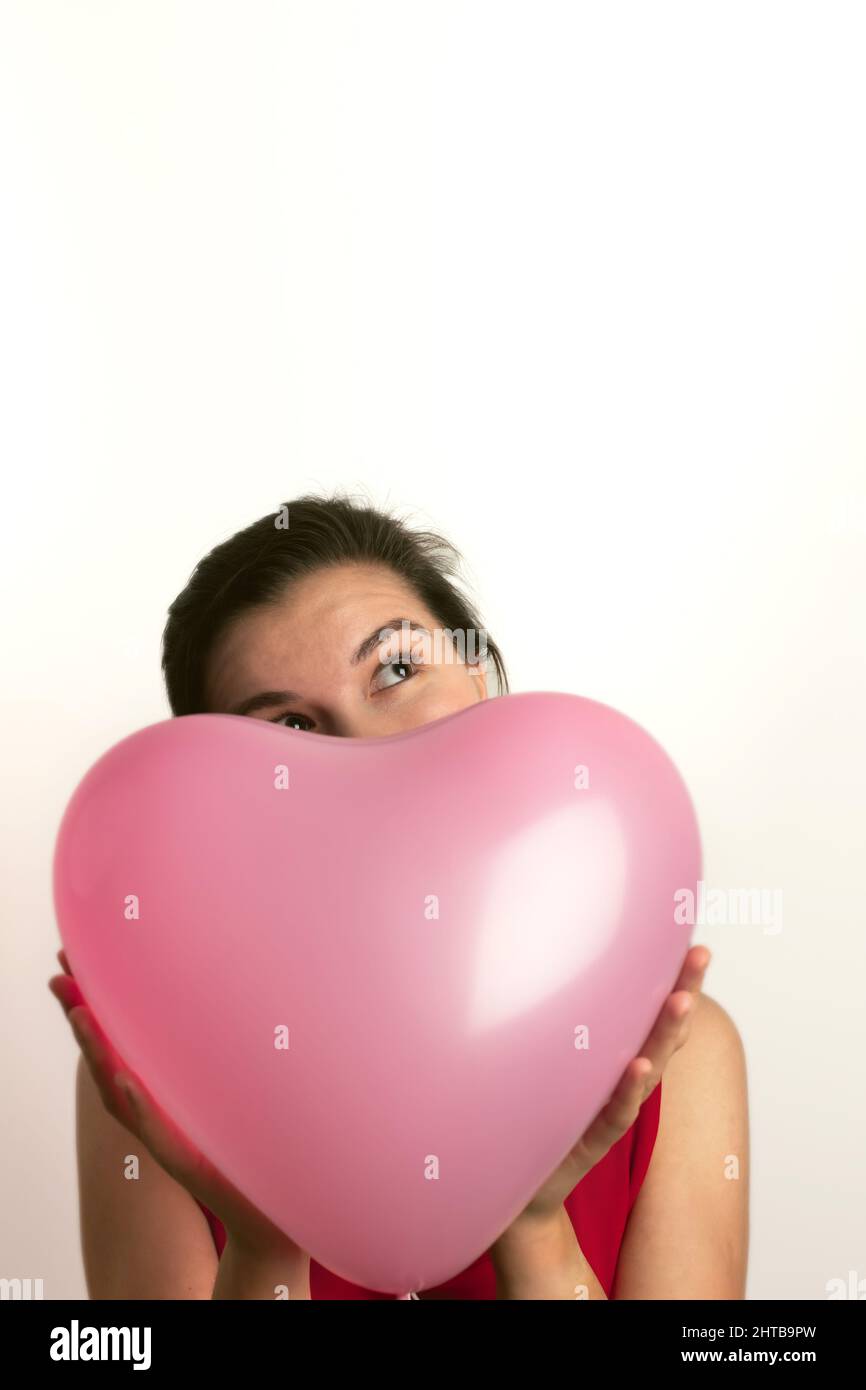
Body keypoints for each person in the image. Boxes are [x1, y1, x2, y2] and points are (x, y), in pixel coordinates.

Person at [49, 489, 749, 1299]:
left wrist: (535, 1232)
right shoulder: (154, 1071)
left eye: (397, 668)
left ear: (480, 679)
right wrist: (267, 1247)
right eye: (290, 731)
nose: (364, 753)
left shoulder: (676, 1061)